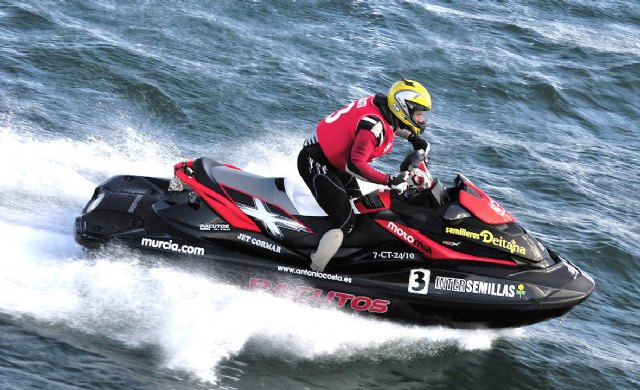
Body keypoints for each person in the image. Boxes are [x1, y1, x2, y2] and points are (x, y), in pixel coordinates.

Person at [297, 79, 432, 271]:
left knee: (361, 209)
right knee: (346, 219)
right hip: (317, 161)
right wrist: (390, 180)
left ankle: (343, 255)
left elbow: (393, 125)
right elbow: (356, 165)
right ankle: (312, 271)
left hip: (334, 160)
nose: (421, 120)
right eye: (418, 114)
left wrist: (413, 138)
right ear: (403, 108)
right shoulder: (373, 127)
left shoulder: (382, 109)